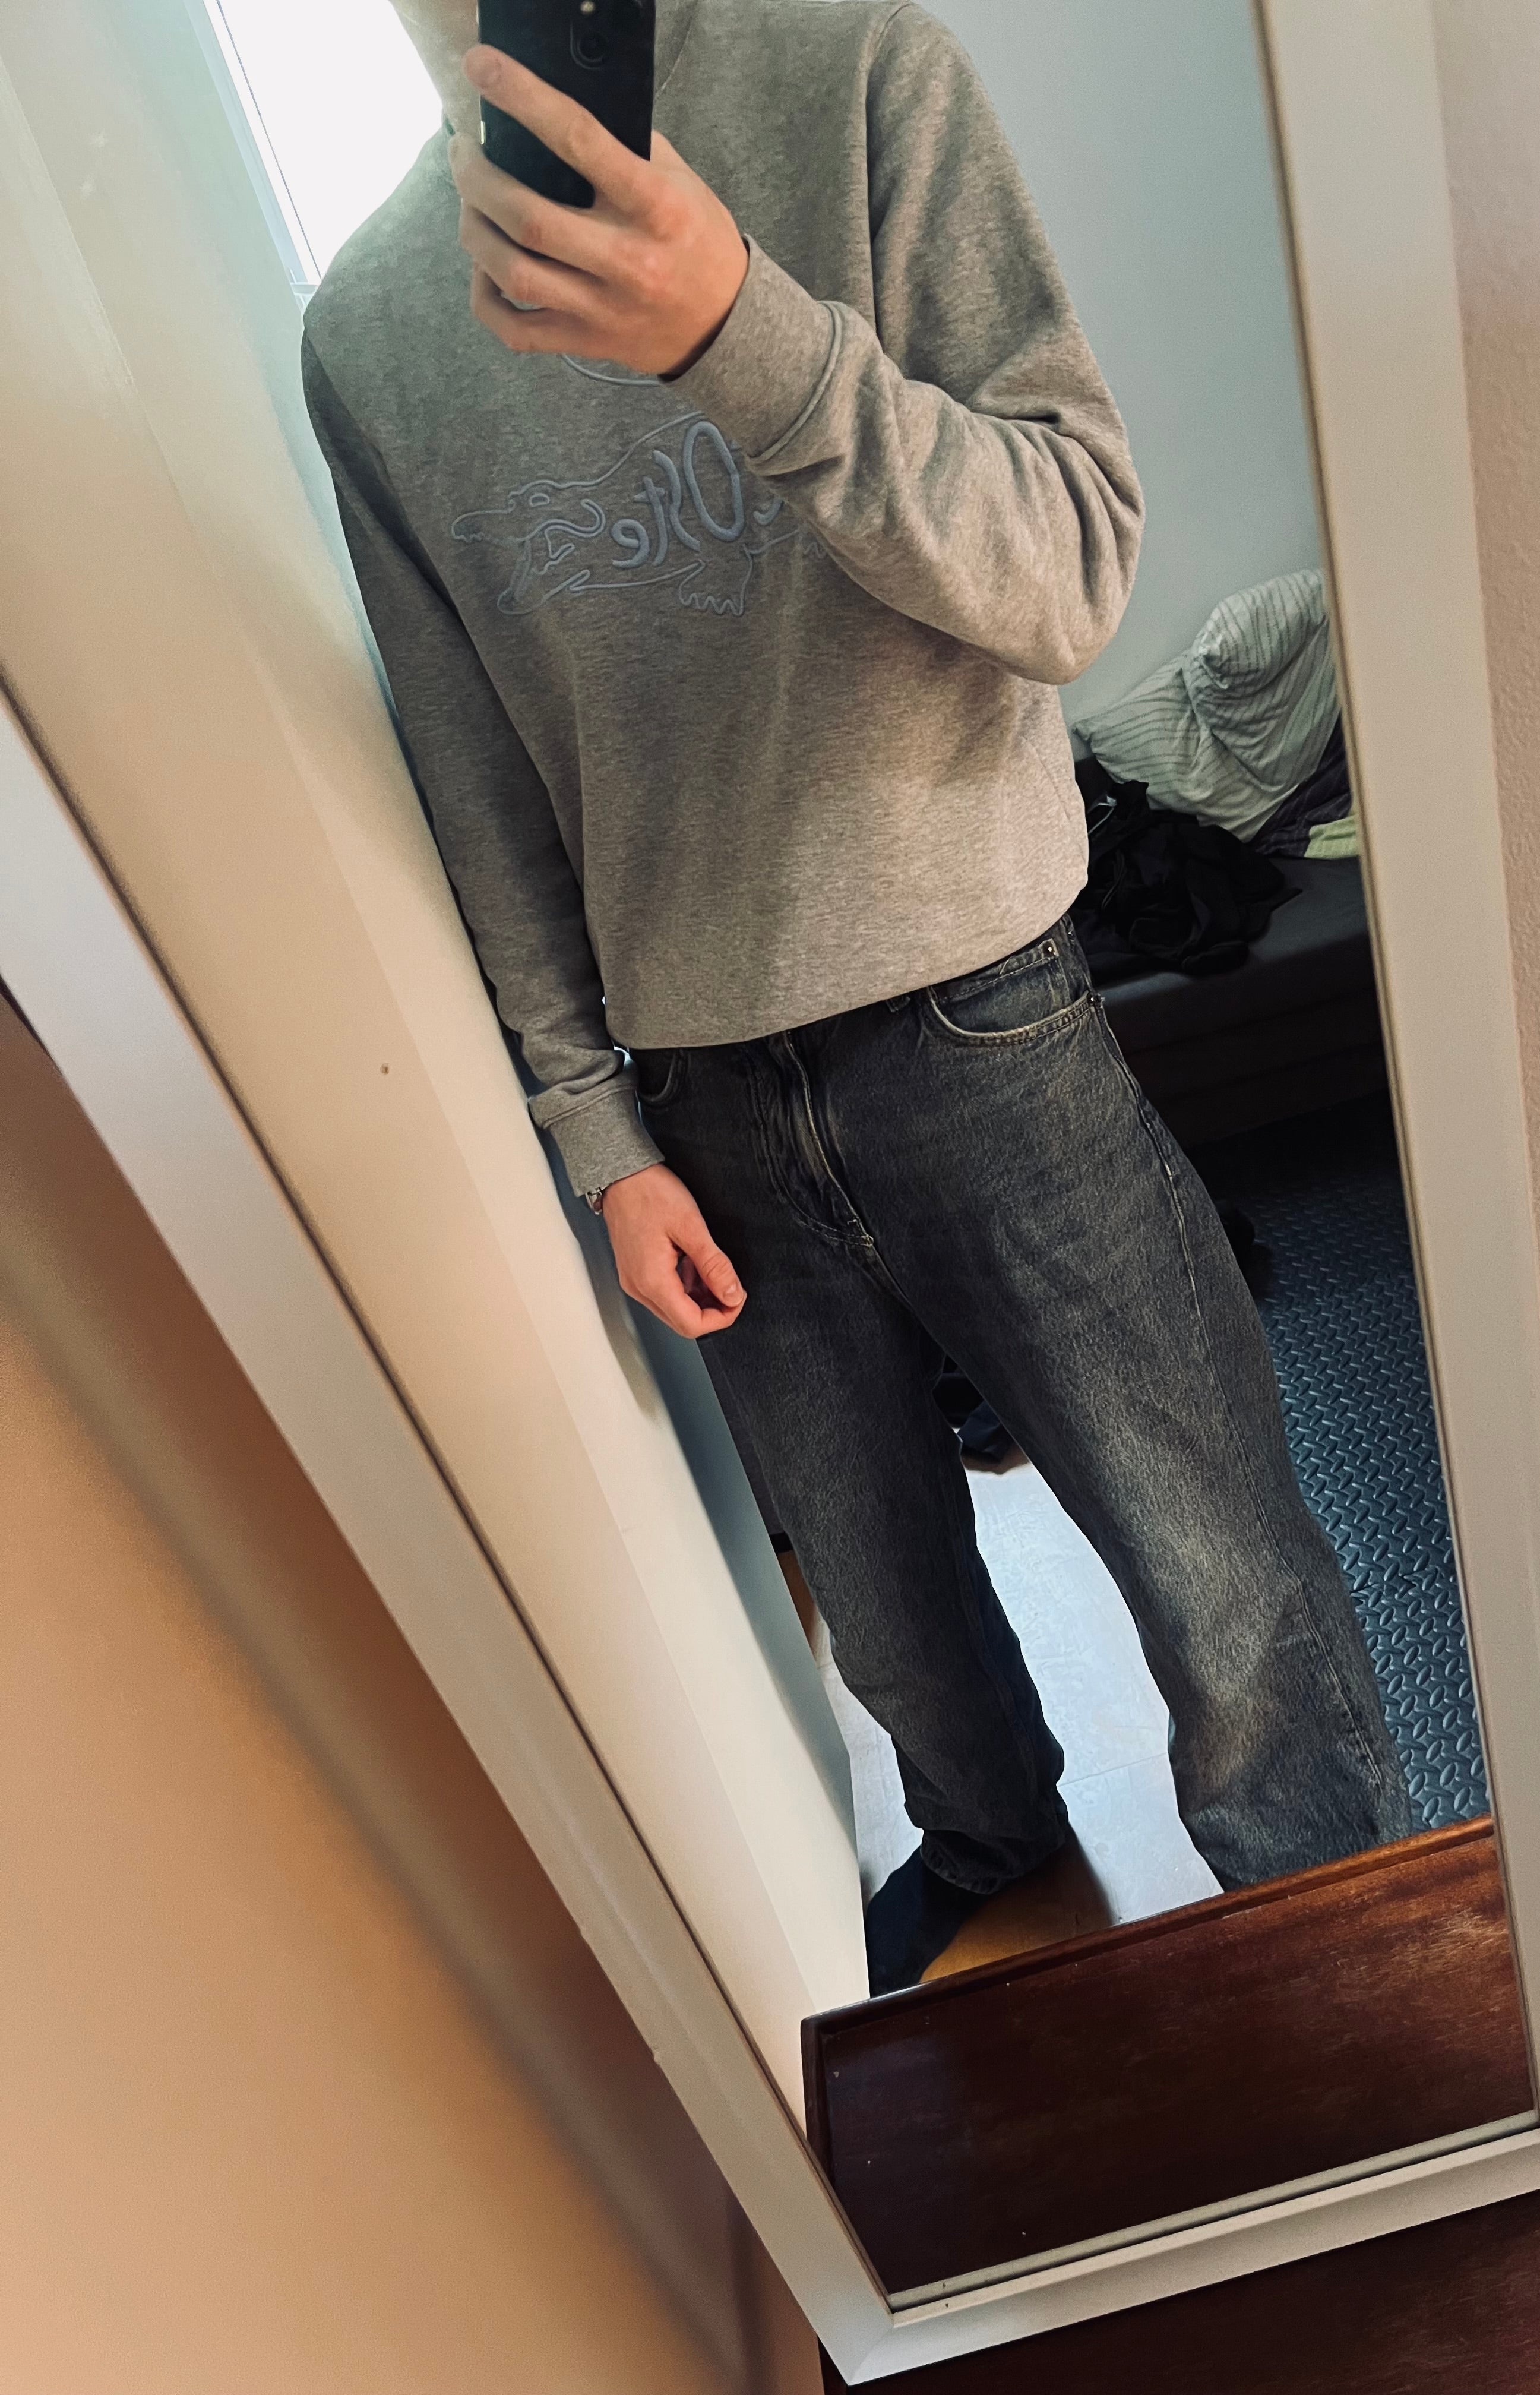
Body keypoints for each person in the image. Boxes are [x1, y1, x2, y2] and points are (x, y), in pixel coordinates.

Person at [303, 0, 1414, 1996]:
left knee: (1222, 1570)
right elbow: (477, 780)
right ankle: (994, 1842)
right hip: (696, 1095)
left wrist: (745, 331)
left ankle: (1351, 1937)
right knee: (892, 1625)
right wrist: (596, 1133)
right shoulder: (371, 328)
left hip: (991, 1019)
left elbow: (1073, 572)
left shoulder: (855, 76)